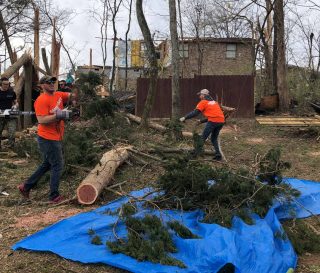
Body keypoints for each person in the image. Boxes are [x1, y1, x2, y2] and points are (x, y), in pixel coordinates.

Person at [18, 76, 77, 203]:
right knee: (57, 164)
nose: (51, 84)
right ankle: (54, 196)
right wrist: (59, 115)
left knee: (48, 163)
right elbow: (42, 120)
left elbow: (72, 95)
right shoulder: (41, 100)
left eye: (53, 82)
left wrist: (75, 94)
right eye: (48, 82)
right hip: (47, 138)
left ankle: (26, 186)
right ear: (42, 85)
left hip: (57, 135)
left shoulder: (59, 94)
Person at [180, 89, 225, 161]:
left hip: (213, 121)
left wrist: (185, 117)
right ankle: (218, 155)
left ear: (204, 95)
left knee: (202, 138)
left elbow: (195, 113)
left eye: (200, 95)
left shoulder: (203, 102)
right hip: (221, 121)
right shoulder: (214, 102)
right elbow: (215, 115)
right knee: (213, 138)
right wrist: (201, 121)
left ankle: (194, 155)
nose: (199, 96)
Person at [0, 77, 18, 149]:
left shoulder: (11, 92)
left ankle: (11, 148)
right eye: (5, 84)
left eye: (8, 84)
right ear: (1, 84)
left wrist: (15, 106)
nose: (6, 86)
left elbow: (16, 102)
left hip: (10, 114)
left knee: (12, 131)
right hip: (0, 115)